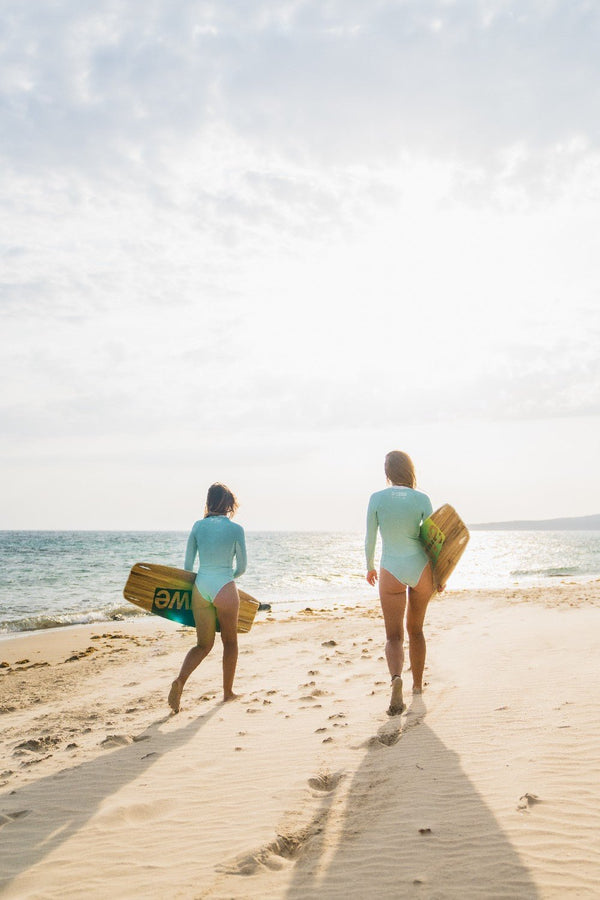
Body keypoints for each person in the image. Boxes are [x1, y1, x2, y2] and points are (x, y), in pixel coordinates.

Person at [365, 450, 438, 716]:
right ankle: (417, 688)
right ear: (410, 470)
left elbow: (370, 537)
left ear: (387, 473)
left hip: (391, 569)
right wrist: (438, 576)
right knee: (416, 630)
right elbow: (432, 540)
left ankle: (396, 678)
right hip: (420, 569)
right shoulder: (422, 498)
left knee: (393, 636)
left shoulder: (376, 499)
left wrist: (370, 567)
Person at [168, 482, 247, 713]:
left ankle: (180, 681)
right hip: (224, 586)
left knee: (203, 645)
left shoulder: (197, 526)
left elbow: (187, 566)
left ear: (209, 501)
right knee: (230, 642)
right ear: (229, 504)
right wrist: (227, 577)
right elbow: (242, 567)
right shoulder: (236, 530)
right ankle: (228, 692)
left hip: (200, 588)